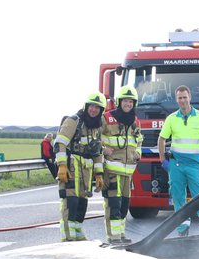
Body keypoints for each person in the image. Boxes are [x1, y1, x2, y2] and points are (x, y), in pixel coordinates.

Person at [157, 84, 199, 234]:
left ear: (190, 97)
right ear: (176, 100)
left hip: (195, 164)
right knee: (177, 196)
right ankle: (182, 229)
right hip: (176, 164)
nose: (183, 100)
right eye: (179, 98)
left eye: (185, 97)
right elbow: (162, 139)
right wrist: (163, 160)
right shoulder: (171, 119)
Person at [52, 92, 106, 241]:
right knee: (71, 202)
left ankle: (78, 235)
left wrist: (99, 173)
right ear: (86, 106)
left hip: (86, 170)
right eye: (92, 106)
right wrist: (62, 166)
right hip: (71, 167)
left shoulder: (95, 128)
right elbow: (60, 143)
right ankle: (68, 238)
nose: (94, 110)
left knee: (82, 203)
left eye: (98, 108)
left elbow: (97, 152)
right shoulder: (73, 121)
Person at [102, 86, 141, 246]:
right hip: (112, 169)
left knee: (124, 204)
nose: (128, 104)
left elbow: (138, 140)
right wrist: (102, 149)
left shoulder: (135, 121)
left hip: (128, 170)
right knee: (114, 203)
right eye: (125, 101)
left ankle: (121, 233)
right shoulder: (107, 118)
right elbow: (94, 136)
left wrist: (138, 151)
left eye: (130, 101)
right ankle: (113, 236)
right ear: (119, 102)